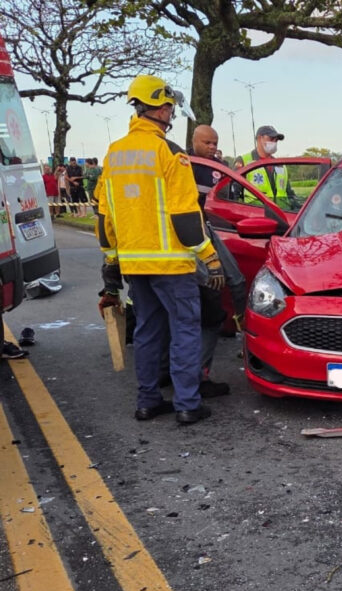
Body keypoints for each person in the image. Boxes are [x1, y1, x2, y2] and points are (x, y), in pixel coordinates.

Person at [96, 73, 224, 424]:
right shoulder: (170, 153)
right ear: (161, 107)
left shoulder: (114, 153)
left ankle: (148, 401)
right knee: (184, 330)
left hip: (135, 266)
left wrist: (111, 263)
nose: (171, 114)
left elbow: (104, 217)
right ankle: (187, 403)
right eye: (169, 107)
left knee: (148, 331)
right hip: (172, 266)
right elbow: (185, 216)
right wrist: (209, 258)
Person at [188, 124, 247, 397]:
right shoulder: (186, 165)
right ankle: (200, 376)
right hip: (191, 238)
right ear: (194, 141)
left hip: (209, 230)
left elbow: (233, 203)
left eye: (215, 143)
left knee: (236, 281)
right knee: (210, 300)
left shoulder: (219, 168)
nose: (212, 147)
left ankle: (244, 331)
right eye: (207, 143)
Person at [238, 124, 298, 209]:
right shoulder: (244, 161)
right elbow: (234, 194)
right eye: (271, 139)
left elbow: (289, 193)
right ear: (259, 138)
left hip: (283, 215)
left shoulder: (280, 165)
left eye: (276, 140)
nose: (274, 142)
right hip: (257, 216)